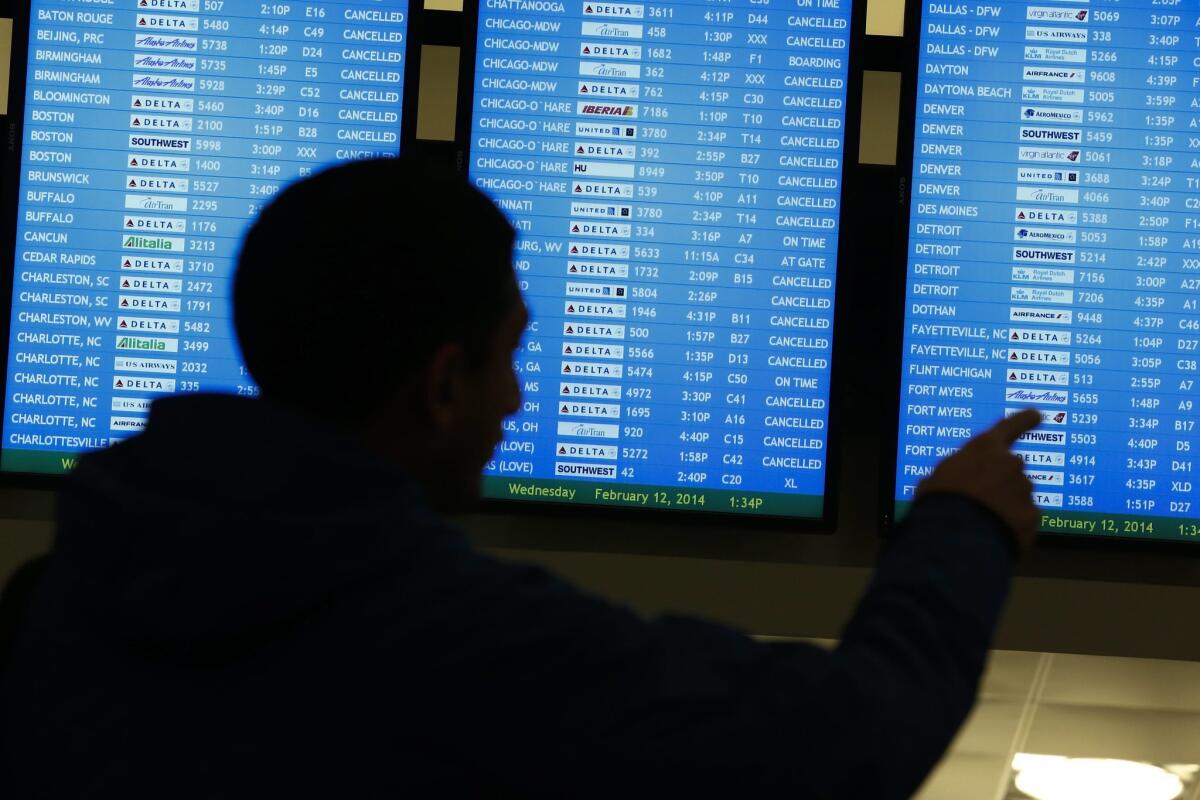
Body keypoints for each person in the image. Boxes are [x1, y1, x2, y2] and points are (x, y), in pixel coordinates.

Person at [0, 157, 1041, 798]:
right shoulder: (470, 649)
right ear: (444, 383)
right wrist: (961, 523)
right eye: (511, 356)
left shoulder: (52, 602)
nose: (520, 400)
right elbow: (842, 747)